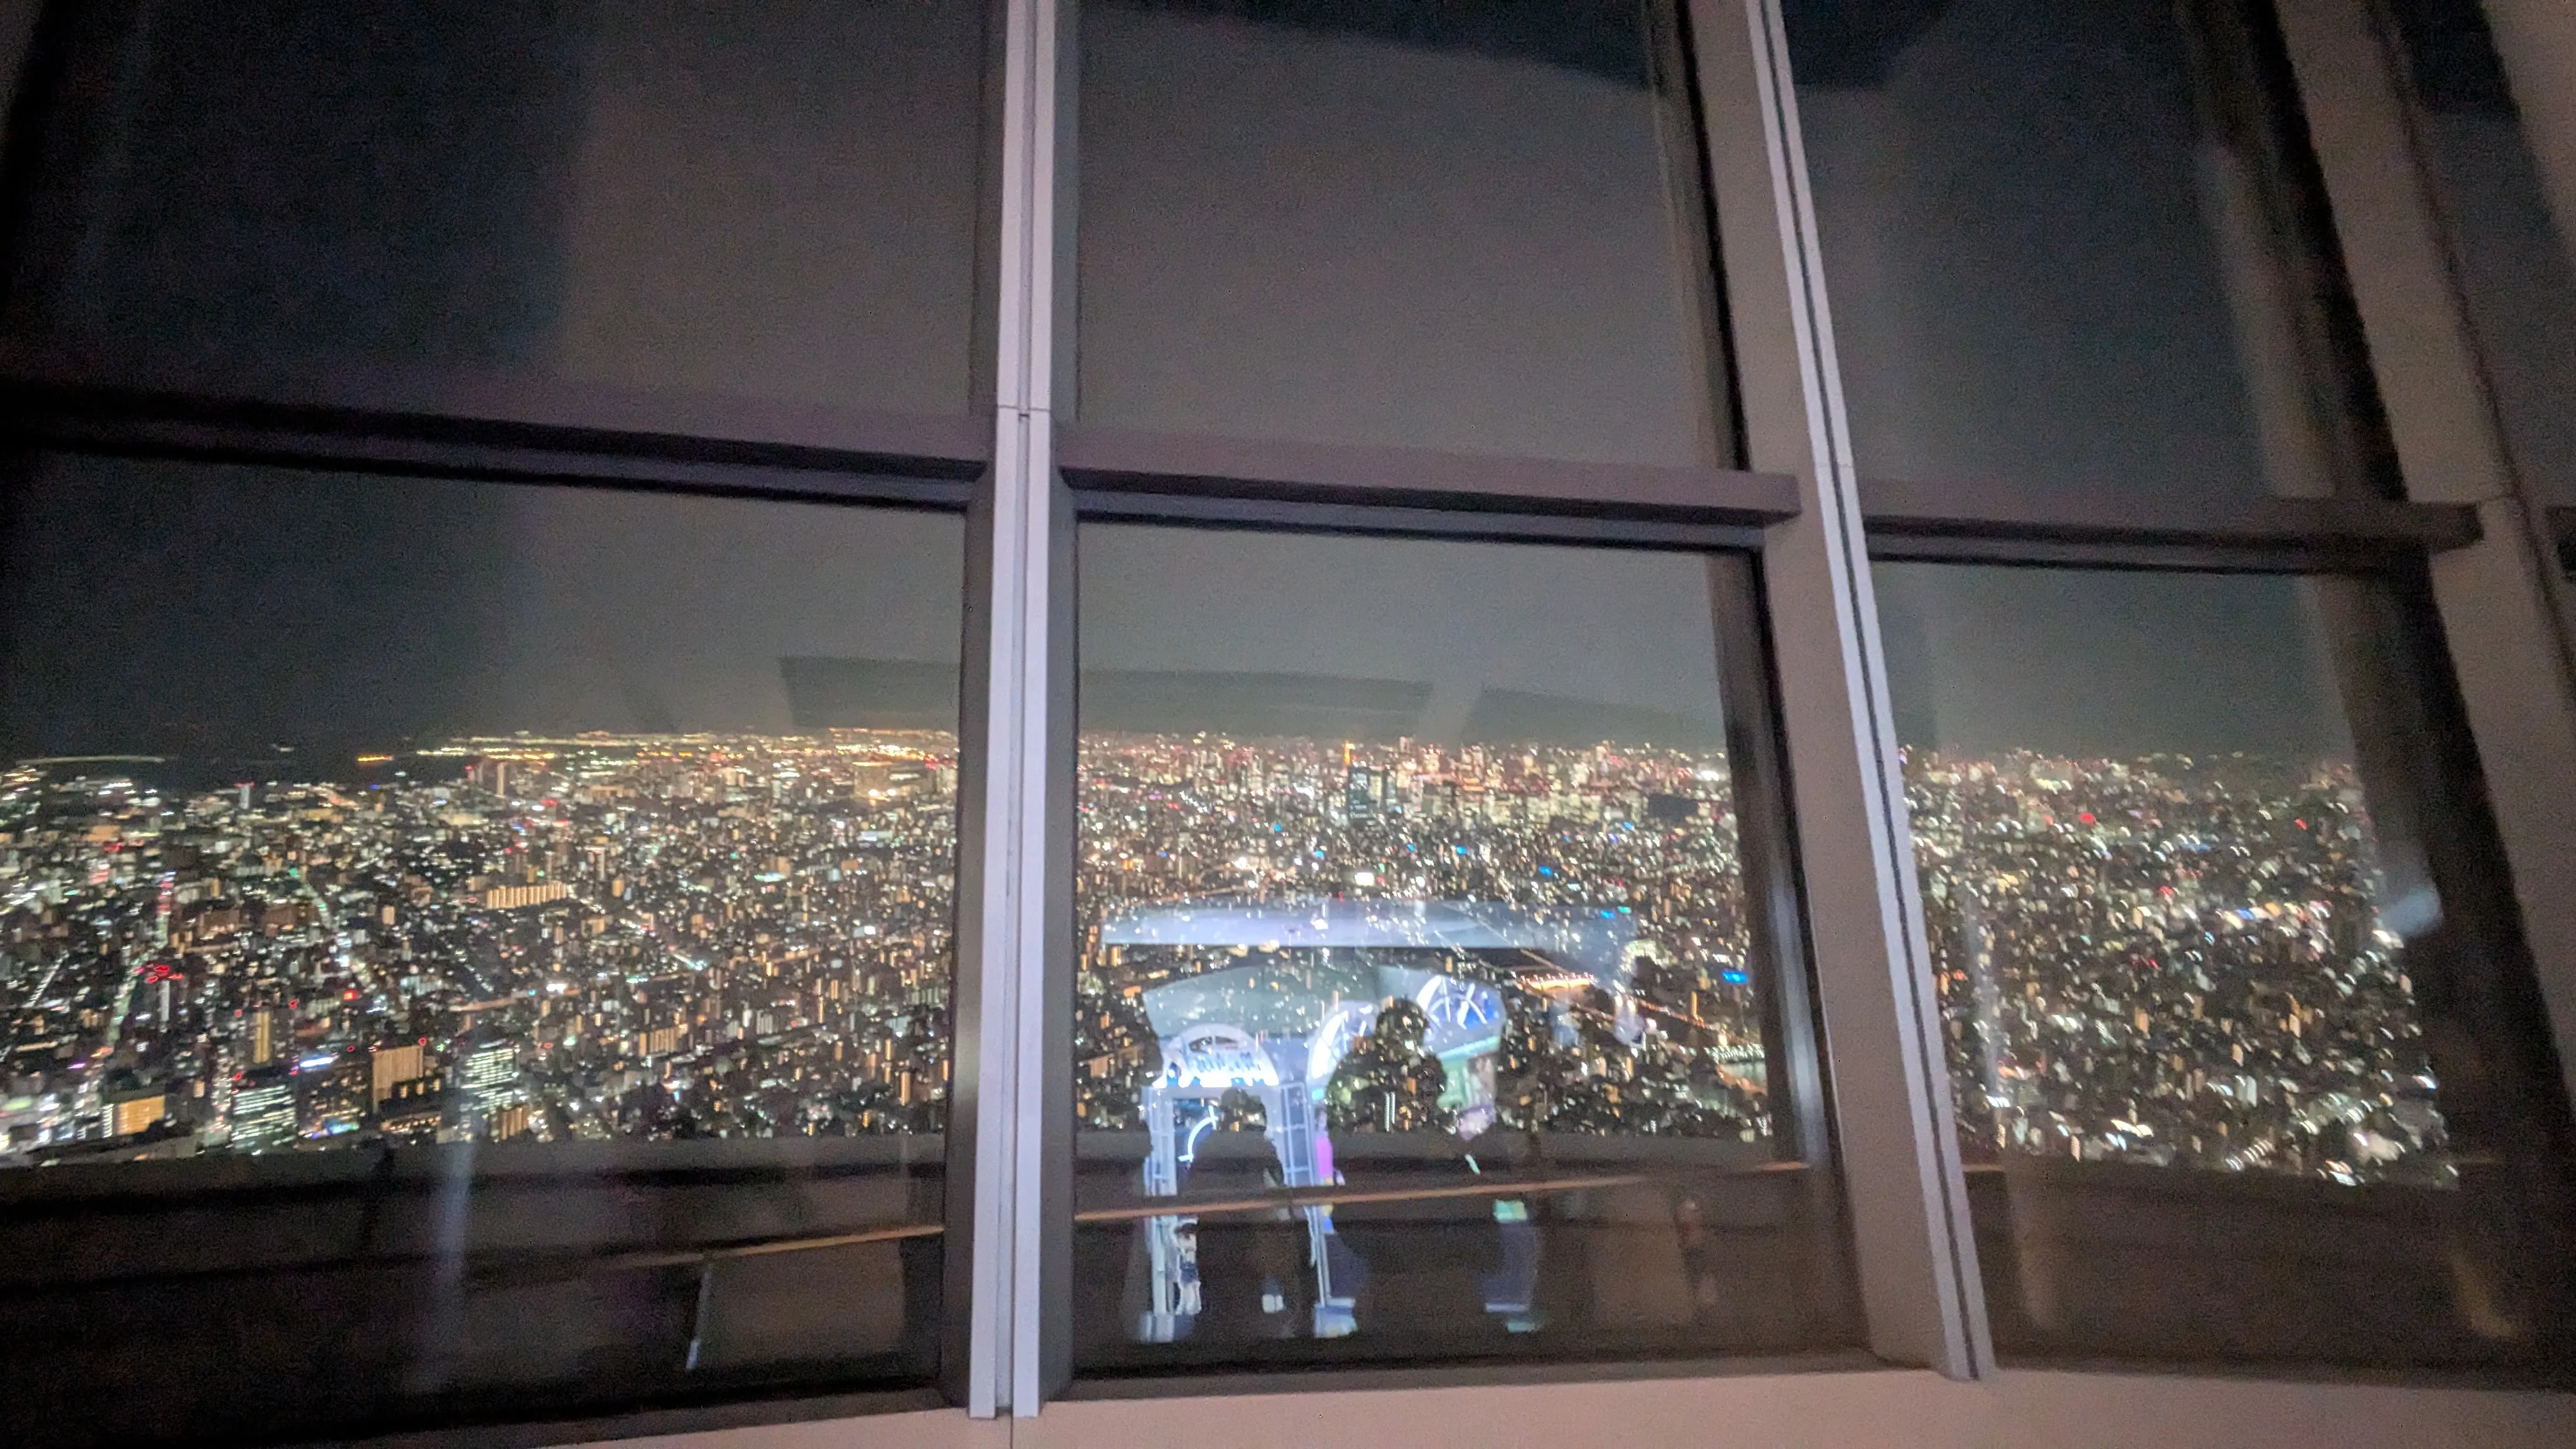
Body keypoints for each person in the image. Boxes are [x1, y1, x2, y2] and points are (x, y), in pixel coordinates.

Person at [1186, 1088, 1308, 1339]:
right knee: (1249, 1298)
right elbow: (1278, 1186)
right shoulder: (1260, 1146)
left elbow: (1192, 1191)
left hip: (1216, 1231)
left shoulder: (1208, 1145)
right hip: (1252, 1231)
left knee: (1217, 1302)